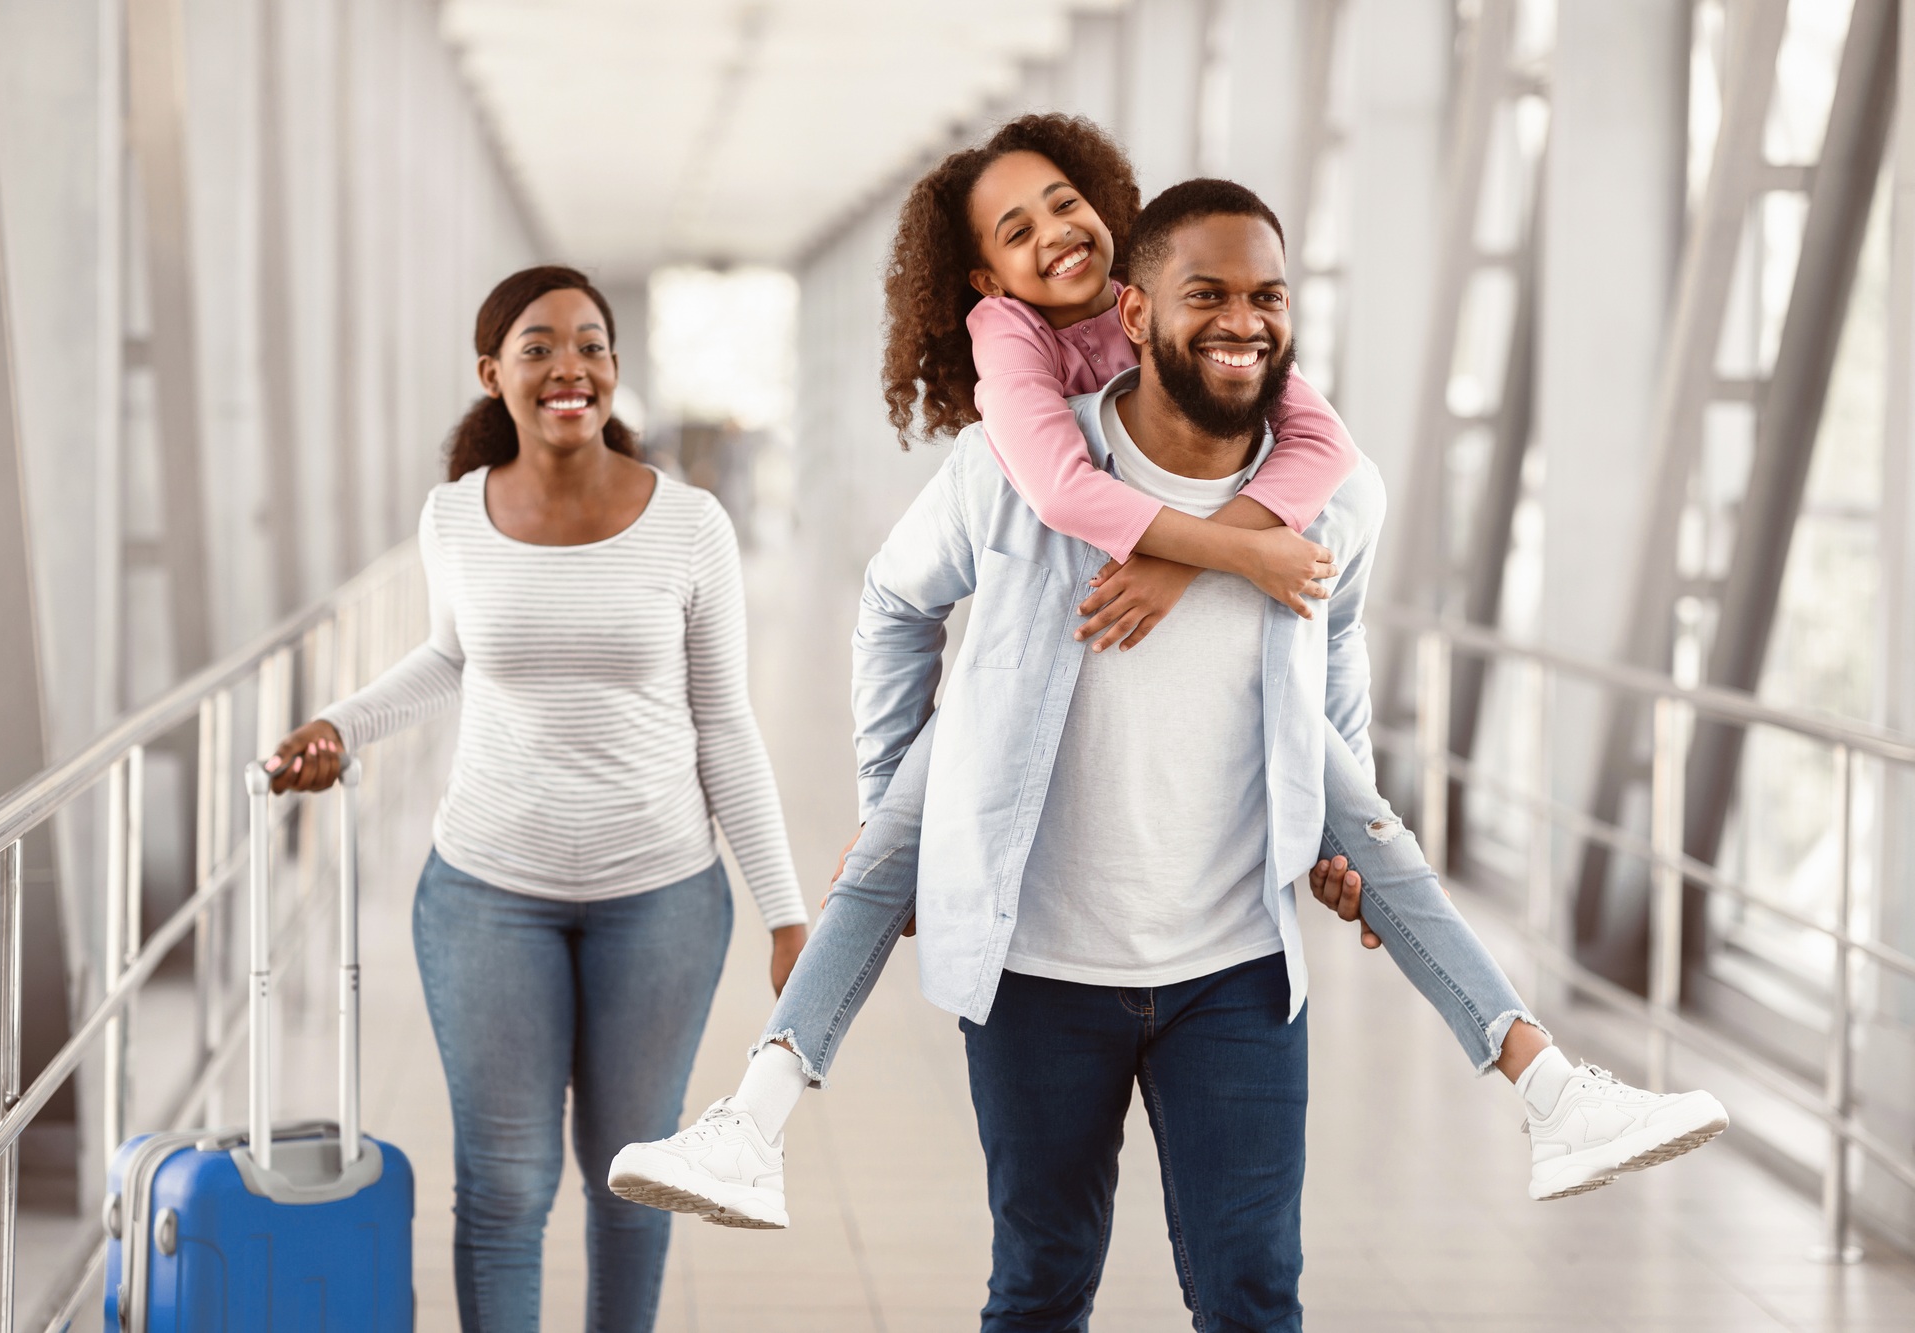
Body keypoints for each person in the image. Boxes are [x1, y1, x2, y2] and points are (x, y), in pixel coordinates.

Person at [610, 120, 1727, 1242]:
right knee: (896, 855)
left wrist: (1324, 810)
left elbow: (1331, 600)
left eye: (1062, 202)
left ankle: (1552, 1089)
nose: (1054, 234)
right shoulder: (1010, 404)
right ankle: (751, 1121)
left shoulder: (1294, 437)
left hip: (1229, 954)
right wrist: (897, 778)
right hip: (1025, 860)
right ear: (1003, 283)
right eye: (1016, 228)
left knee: (1375, 834)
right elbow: (1025, 510)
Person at [261, 265, 808, 1333]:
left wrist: (786, 913)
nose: (570, 366)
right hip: (484, 894)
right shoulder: (452, 516)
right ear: (493, 374)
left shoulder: (690, 525)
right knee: (505, 1190)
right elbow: (446, 656)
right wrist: (340, 726)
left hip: (660, 898)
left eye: (591, 344)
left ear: (613, 367)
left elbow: (726, 724)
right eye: (539, 345)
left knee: (634, 1180)